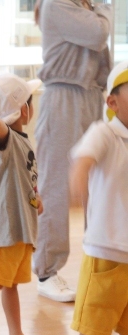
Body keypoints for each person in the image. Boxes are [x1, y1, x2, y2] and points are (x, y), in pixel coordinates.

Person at [32, 0, 112, 302]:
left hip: (92, 96)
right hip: (62, 95)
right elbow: (97, 34)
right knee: (55, 187)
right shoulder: (56, 4)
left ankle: (101, 263)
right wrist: (104, 8)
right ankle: (46, 272)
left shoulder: (86, 5)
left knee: (99, 183)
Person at [68, 61, 128, 335]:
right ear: (113, 102)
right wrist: (79, 178)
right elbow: (84, 159)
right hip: (106, 255)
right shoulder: (104, 132)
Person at [0, 73, 46, 335]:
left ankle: (16, 334)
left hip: (22, 227)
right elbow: (1, 138)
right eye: (31, 103)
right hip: (6, 229)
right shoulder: (6, 140)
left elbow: (24, 176)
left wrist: (35, 198)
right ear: (23, 110)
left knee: (11, 285)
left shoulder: (22, 140)